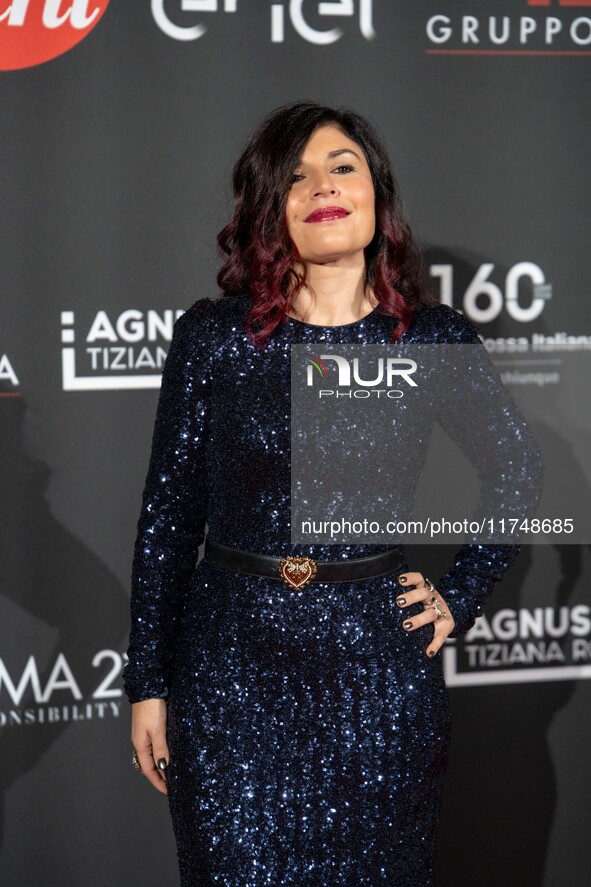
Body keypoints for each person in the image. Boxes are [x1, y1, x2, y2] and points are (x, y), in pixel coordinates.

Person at [123, 101, 541, 886]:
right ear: (268, 210)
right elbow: (169, 513)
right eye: (296, 176)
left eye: (342, 166)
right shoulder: (217, 337)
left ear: (377, 192)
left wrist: (459, 592)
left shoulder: (427, 338)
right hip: (230, 679)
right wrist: (147, 680)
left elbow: (517, 471)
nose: (323, 185)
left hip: (375, 681)